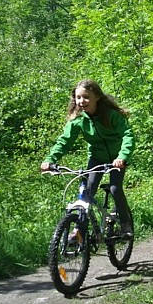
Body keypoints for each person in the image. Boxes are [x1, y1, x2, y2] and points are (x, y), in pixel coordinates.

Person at [41, 79, 135, 239]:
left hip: (117, 158)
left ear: (96, 97)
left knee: (114, 188)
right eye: (78, 97)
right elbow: (64, 141)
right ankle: (80, 231)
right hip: (97, 157)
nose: (81, 101)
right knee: (86, 190)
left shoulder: (110, 114)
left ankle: (126, 225)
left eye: (86, 97)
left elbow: (127, 135)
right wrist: (50, 160)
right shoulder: (78, 119)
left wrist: (122, 157)